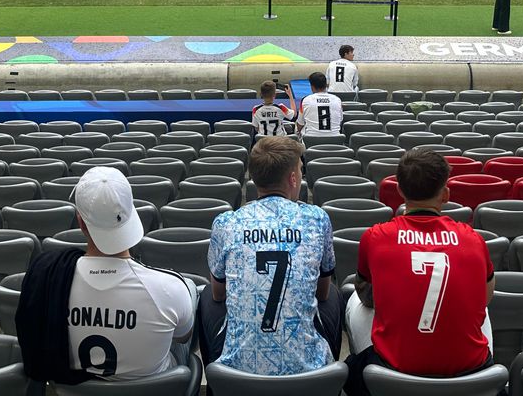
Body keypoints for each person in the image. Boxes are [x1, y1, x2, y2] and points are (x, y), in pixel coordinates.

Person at [344, 149, 493, 396]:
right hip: (470, 372)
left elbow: (366, 297)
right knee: (481, 307)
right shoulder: (473, 239)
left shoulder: (376, 236)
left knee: (353, 298)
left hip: (391, 369)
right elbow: (486, 297)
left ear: (400, 191)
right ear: (445, 194)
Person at [198, 135, 342, 375]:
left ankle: (216, 374)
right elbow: (323, 292)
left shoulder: (227, 222)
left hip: (237, 371)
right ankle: (328, 372)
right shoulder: (317, 218)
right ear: (293, 178)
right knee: (334, 296)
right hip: (308, 370)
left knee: (207, 297)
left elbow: (218, 293)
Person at [66, 166, 196, 379]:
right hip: (155, 389)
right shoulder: (169, 288)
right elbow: (184, 337)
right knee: (189, 292)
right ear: (130, 212)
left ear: (81, 222)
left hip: (78, 389)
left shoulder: (55, 283)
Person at [297, 71, 343, 137]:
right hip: (335, 141)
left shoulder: (306, 100)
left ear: (312, 86)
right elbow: (340, 120)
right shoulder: (337, 100)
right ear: (326, 85)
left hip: (311, 142)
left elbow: (300, 124)